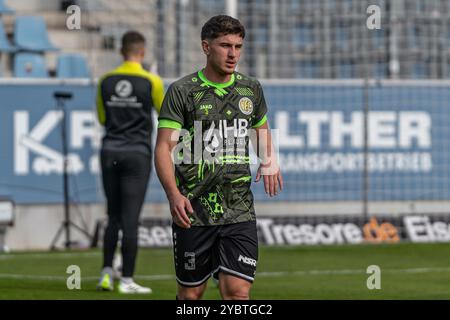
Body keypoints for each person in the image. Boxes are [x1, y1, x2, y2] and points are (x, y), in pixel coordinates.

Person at [155, 15, 283, 300]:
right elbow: (163, 148)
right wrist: (173, 195)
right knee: (191, 296)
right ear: (206, 47)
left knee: (237, 292)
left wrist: (268, 159)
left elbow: (260, 129)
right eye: (225, 45)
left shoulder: (250, 89)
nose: (232, 54)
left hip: (239, 210)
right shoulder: (182, 91)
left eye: (238, 46)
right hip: (193, 212)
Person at [96, 30, 164, 294]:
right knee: (130, 219)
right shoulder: (151, 81)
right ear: (142, 52)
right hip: (137, 154)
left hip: (110, 151)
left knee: (112, 215)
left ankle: (105, 273)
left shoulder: (105, 80)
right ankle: (126, 280)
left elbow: (103, 119)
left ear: (121, 51)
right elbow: (164, 113)